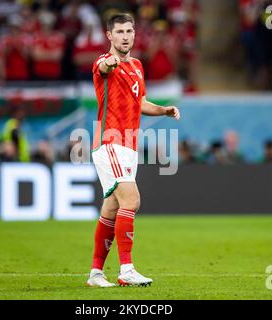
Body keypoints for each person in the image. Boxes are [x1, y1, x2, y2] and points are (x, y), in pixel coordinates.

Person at [87, 13, 180, 288]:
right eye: (120, 32)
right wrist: (108, 62)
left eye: (129, 31)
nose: (126, 36)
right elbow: (103, 67)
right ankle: (126, 269)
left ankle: (95, 274)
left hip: (129, 146)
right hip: (110, 141)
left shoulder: (138, 66)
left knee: (112, 209)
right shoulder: (104, 63)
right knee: (132, 200)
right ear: (110, 36)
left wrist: (163, 110)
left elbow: (140, 103)